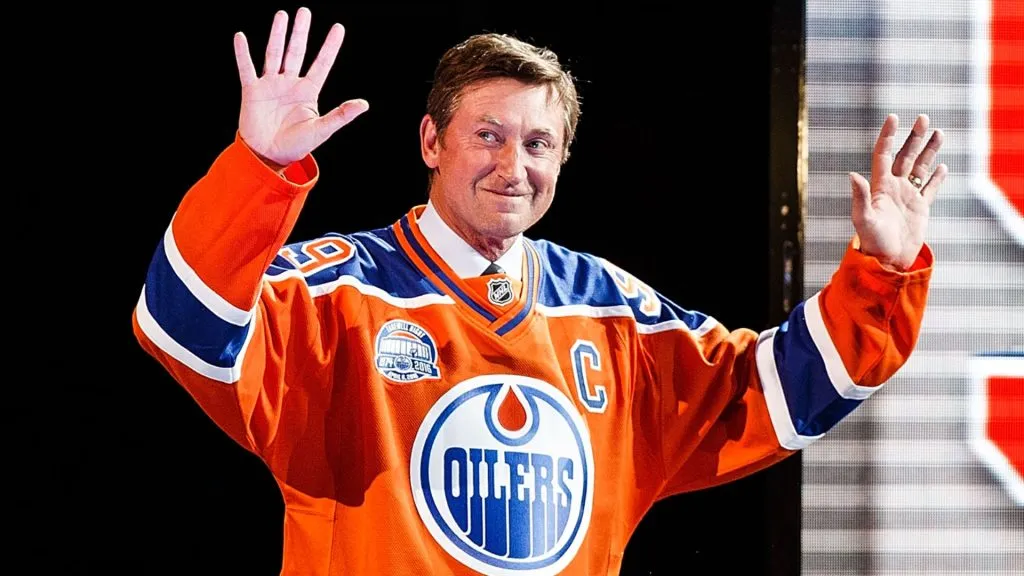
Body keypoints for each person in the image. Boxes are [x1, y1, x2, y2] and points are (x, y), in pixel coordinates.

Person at [131, 7, 948, 576]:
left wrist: (880, 273)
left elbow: (774, 391)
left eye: (538, 142)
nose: (510, 165)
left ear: (561, 160)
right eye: (486, 134)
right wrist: (260, 170)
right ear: (430, 139)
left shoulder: (612, 312)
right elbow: (185, 323)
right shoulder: (333, 292)